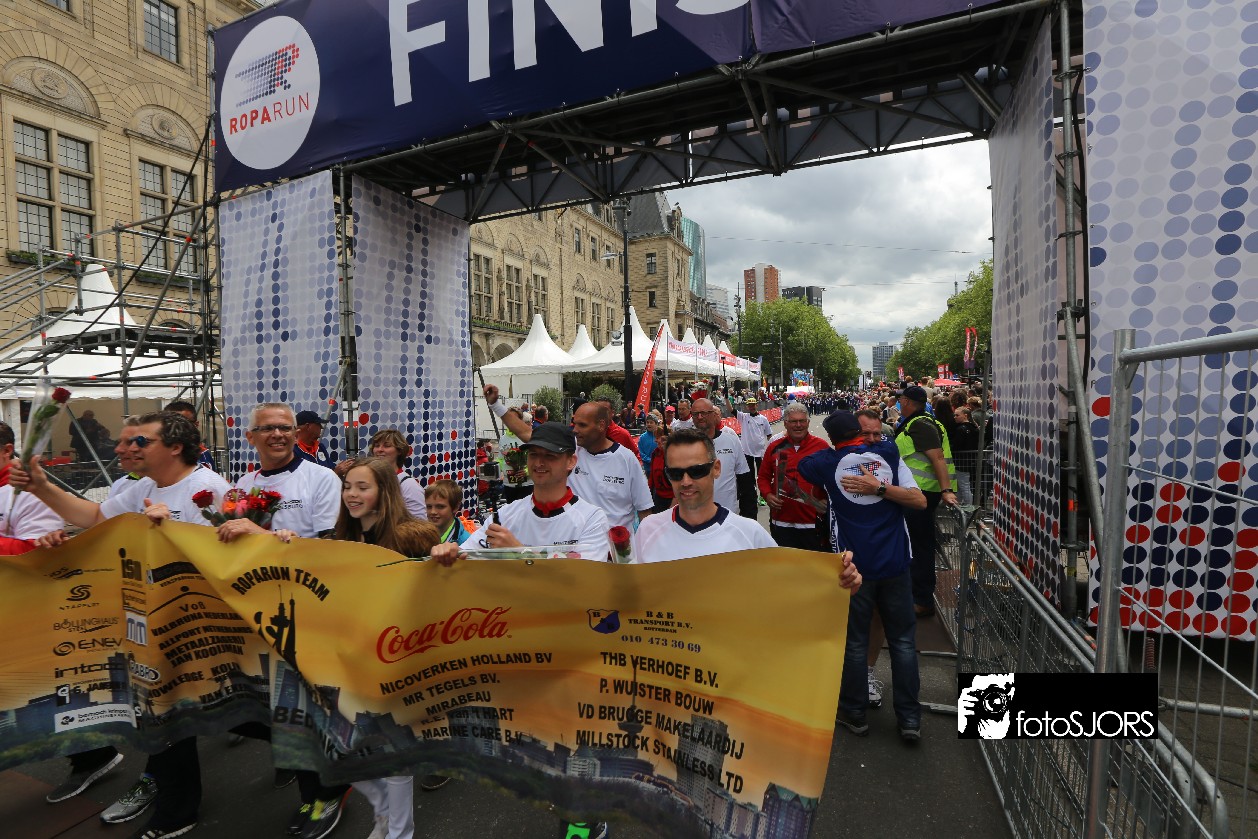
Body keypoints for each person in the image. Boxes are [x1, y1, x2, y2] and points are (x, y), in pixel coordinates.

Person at [12, 412, 233, 838]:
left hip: (194, 623)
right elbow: (96, 517)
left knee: (197, 713)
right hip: (150, 619)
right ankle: (172, 801)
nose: (125, 448)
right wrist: (41, 486)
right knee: (163, 713)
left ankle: (179, 807)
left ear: (175, 447)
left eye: (139, 441)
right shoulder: (145, 487)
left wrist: (168, 531)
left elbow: (227, 558)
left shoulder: (210, 488)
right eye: (126, 441)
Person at [430, 422, 609, 838]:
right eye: (533, 455)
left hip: (573, 648)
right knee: (543, 739)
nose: (539, 463)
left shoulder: (592, 517)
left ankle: (582, 816)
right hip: (520, 647)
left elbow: (585, 583)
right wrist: (447, 550)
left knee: (578, 735)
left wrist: (519, 553)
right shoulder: (506, 514)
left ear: (571, 462)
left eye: (549, 456)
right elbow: (465, 560)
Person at [283, 456, 440, 839]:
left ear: (384, 492)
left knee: (394, 754)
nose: (351, 494)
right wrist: (280, 541)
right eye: (347, 486)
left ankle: (399, 832)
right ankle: (384, 812)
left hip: (399, 658)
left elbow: (441, 591)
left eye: (362, 487)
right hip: (351, 659)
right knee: (334, 745)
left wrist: (445, 558)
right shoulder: (339, 541)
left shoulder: (414, 534)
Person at [218, 403, 346, 839]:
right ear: (250, 436)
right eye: (267, 428)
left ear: (296, 432)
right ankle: (308, 780)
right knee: (275, 710)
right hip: (258, 614)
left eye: (285, 427)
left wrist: (262, 536)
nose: (277, 434)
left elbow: (328, 548)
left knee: (310, 710)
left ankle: (326, 793)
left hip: (308, 614)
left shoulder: (320, 478)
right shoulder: (241, 487)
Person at [799, 410, 925, 742]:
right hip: (895, 561)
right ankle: (909, 719)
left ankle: (855, 713)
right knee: (903, 643)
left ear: (832, 438)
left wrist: (834, 452)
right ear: (859, 431)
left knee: (855, 642)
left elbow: (804, 465)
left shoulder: (826, 462)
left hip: (854, 569)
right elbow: (885, 451)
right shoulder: (888, 452)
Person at [497, 399, 652, 530]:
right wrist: (496, 405)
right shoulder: (569, 449)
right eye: (574, 423)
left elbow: (645, 511)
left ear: (601, 425)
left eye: (582, 425)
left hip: (615, 552)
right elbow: (526, 434)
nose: (575, 430)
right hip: (573, 548)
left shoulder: (627, 459)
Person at [894, 385, 958, 618]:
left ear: (907, 402)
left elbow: (937, 458)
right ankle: (916, 595)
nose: (899, 403)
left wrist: (946, 490)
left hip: (920, 494)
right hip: (917, 492)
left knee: (920, 546)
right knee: (916, 544)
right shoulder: (917, 422)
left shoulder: (920, 424)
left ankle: (922, 599)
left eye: (901, 399)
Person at [757, 403, 829, 551]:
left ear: (808, 422)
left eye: (802, 421)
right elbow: (763, 476)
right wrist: (767, 494)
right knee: (785, 564)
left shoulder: (821, 447)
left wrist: (828, 500)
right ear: (785, 423)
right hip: (781, 521)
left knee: (812, 564)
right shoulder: (774, 447)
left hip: (813, 522)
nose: (798, 425)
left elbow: (833, 479)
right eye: (793, 421)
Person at [689, 398, 756, 518]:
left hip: (727, 515)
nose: (699, 417)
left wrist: (749, 516)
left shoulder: (731, 440)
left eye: (704, 413)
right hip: (695, 516)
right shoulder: (685, 444)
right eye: (695, 414)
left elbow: (745, 482)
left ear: (713, 415)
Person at [368, 428, 427, 520]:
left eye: (387, 446)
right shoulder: (369, 479)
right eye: (377, 445)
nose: (380, 449)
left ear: (399, 451)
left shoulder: (409, 485)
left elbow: (420, 523)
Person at [736, 398, 773, 501]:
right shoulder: (743, 417)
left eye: (753, 405)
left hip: (760, 453)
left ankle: (763, 495)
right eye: (750, 405)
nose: (752, 407)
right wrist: (726, 398)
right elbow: (731, 410)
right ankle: (753, 495)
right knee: (750, 475)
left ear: (757, 405)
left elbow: (769, 435)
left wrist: (772, 450)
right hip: (747, 452)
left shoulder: (763, 419)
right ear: (747, 407)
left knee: (762, 475)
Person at [164, 400, 218, 471]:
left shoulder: (202, 456)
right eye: (171, 423)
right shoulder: (155, 452)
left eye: (184, 423)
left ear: (196, 425)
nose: (178, 428)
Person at [426, 479, 471, 545]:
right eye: (429, 506)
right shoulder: (421, 536)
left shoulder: (466, 542)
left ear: (455, 507)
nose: (433, 512)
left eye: (440, 507)